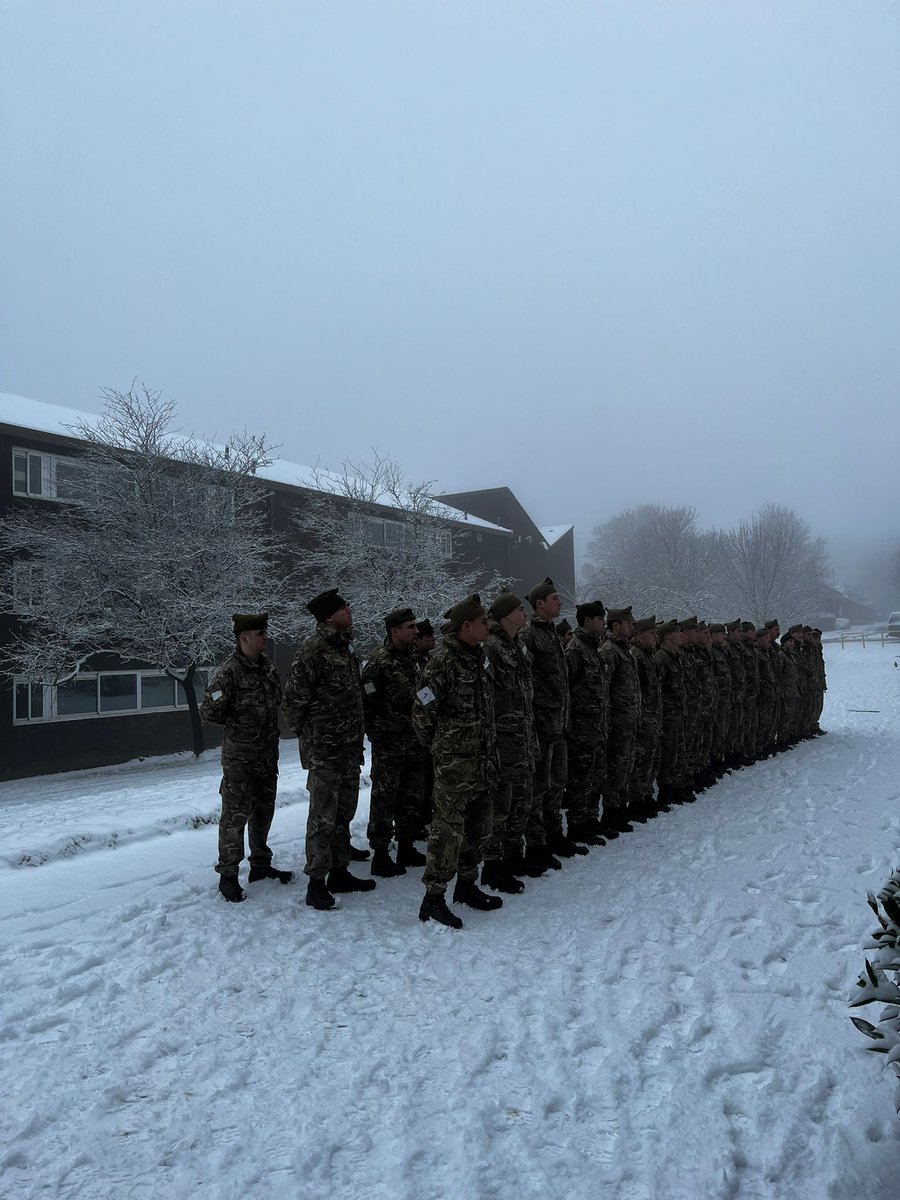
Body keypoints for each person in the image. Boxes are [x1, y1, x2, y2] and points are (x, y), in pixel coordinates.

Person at [283, 589, 376, 911]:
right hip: (326, 751)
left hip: (349, 749)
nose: (349, 610)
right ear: (327, 618)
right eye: (342, 608)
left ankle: (340, 871)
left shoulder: (345, 649)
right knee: (322, 818)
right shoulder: (313, 651)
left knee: (342, 815)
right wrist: (314, 738)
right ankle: (316, 883)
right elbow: (293, 704)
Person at [413, 594, 501, 929]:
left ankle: (467, 885)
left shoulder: (478, 658)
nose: (487, 627)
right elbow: (422, 710)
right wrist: (442, 747)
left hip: (481, 761)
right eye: (482, 623)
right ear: (466, 626)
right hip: (455, 764)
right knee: (447, 832)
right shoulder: (442, 662)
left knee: (479, 828)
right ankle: (433, 898)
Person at [200, 612, 291, 903]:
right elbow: (209, 712)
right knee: (235, 817)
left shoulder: (267, 668)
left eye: (265, 632)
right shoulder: (228, 674)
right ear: (243, 639)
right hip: (241, 758)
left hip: (266, 756)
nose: (265, 637)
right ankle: (228, 875)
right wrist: (239, 722)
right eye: (259, 633)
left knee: (264, 812)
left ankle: (260, 865)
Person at [521, 577, 584, 868]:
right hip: (541, 724)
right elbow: (526, 682)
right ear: (540, 604)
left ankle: (554, 834)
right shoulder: (529, 636)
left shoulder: (553, 636)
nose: (560, 603)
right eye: (555, 598)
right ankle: (536, 843)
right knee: (539, 785)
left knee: (558, 782)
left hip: (559, 723)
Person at [360, 607, 427, 877]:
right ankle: (380, 853)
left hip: (415, 741)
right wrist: (377, 735)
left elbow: (424, 692)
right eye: (410, 627)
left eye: (414, 625)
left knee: (412, 797)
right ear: (394, 631)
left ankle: (406, 847)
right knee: (384, 799)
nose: (415, 630)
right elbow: (367, 703)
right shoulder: (378, 663)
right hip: (389, 744)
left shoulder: (415, 658)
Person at [482, 589, 538, 892]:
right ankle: (492, 866)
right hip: (503, 741)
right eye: (519, 610)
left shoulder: (515, 645)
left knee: (521, 801)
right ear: (505, 615)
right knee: (500, 807)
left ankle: (513, 856)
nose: (525, 613)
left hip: (522, 736)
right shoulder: (491, 647)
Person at [564, 600, 609, 845]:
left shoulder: (594, 648)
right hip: (581, 730)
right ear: (587, 621)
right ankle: (577, 825)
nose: (604, 622)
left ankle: (591, 818)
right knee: (580, 780)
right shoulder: (575, 650)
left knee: (597, 776)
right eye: (600, 619)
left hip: (597, 727)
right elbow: (566, 689)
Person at [599, 606, 641, 835]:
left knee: (626, 765)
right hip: (616, 721)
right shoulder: (609, 651)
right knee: (615, 767)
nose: (632, 627)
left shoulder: (625, 650)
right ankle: (611, 812)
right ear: (616, 625)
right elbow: (604, 688)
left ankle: (620, 808)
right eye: (628, 623)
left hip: (628, 720)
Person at [628, 615, 661, 820]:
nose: (656, 636)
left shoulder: (648, 654)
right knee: (639, 762)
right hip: (641, 719)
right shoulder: (636, 656)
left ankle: (646, 796)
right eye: (652, 633)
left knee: (649, 760)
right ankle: (637, 800)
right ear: (640, 635)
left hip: (651, 717)